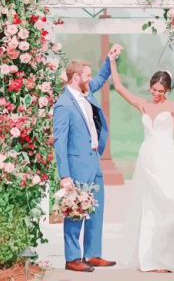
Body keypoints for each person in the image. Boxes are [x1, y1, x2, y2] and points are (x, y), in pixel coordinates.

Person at [110, 51, 174, 272]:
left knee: (171, 202)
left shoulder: (173, 107)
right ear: (149, 86)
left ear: (168, 90)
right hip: (147, 161)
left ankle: (168, 255)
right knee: (150, 207)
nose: (156, 94)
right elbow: (120, 87)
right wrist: (112, 62)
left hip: (168, 158)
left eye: (161, 91)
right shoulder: (143, 104)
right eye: (154, 89)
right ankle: (150, 258)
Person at [53, 44, 122, 272]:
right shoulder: (63, 105)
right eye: (87, 75)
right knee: (76, 209)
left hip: (94, 160)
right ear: (75, 78)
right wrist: (65, 176)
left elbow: (102, 78)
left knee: (96, 209)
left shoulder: (86, 91)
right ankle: (73, 258)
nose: (90, 79)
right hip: (76, 165)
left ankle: (92, 254)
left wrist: (110, 59)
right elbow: (59, 142)